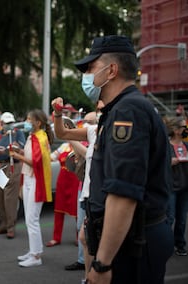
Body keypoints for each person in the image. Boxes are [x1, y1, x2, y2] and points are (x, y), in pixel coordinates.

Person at [73, 35, 173, 284]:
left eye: (90, 67)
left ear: (112, 70)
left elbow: (123, 193)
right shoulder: (120, 109)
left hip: (133, 244)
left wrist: (102, 263)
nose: (86, 75)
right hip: (129, 238)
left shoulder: (128, 111)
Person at [51, 106, 101, 280]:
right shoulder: (86, 135)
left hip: (97, 194)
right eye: (84, 120)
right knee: (83, 232)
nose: (85, 123)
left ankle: (94, 273)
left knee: (90, 236)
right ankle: (85, 269)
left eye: (89, 121)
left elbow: (88, 154)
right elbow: (61, 133)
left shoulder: (97, 136)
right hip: (84, 190)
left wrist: (71, 138)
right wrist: (57, 115)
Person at [9, 109, 53, 267]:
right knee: (30, 219)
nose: (26, 122)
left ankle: (36, 256)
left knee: (32, 220)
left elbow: (36, 163)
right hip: (28, 179)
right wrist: (19, 151)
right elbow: (30, 156)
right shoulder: (32, 137)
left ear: (38, 123)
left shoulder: (40, 138)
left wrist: (18, 156)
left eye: (29, 119)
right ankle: (34, 251)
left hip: (35, 181)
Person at [0, 111, 26, 239]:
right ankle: (3, 224)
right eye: (7, 123)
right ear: (2, 123)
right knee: (0, 197)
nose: (10, 125)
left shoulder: (18, 133)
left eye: (11, 123)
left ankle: (11, 227)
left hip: (13, 166)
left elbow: (22, 149)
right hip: (0, 166)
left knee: (10, 198)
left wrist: (14, 148)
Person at [46, 141, 80, 247]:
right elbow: (51, 157)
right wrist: (45, 149)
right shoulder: (64, 146)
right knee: (58, 209)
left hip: (74, 181)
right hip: (62, 181)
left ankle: (79, 237)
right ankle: (56, 238)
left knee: (76, 211)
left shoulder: (80, 146)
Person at [164, 116, 188, 256]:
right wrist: (169, 161)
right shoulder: (166, 146)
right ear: (176, 130)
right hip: (171, 187)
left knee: (182, 219)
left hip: (185, 187)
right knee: (170, 217)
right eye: (183, 127)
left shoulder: (186, 145)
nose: (185, 130)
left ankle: (180, 244)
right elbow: (158, 163)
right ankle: (166, 245)